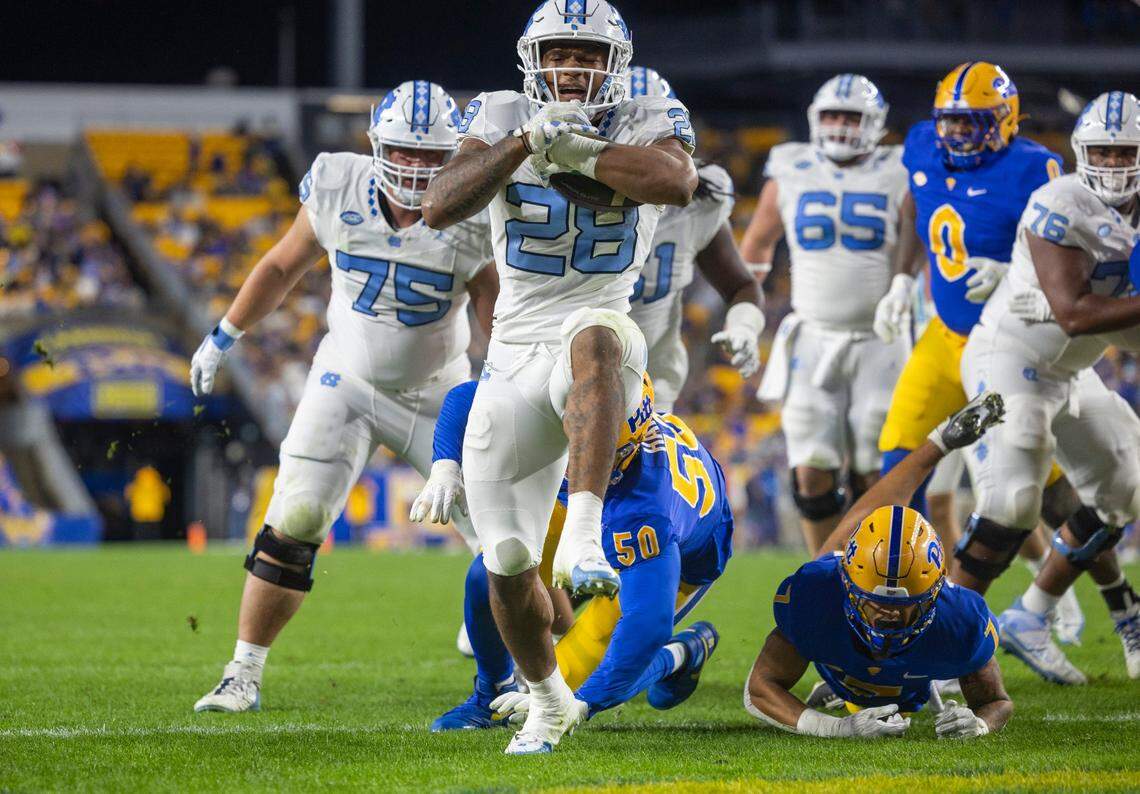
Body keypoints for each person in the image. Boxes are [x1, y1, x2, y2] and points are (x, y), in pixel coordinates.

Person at [420, 0, 698, 754]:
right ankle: (545, 700)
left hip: (599, 323)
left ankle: (581, 532)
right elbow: (439, 205)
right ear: (532, 59)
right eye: (558, 53)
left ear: (614, 61)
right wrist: (522, 144)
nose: (571, 67)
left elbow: (676, 181)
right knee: (506, 563)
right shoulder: (506, 110)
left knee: (599, 339)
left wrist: (573, 155)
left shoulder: (647, 105)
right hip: (511, 352)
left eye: (585, 54)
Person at [190, 81, 498, 713]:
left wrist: (503, 390)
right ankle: (242, 672)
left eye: (428, 155)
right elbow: (281, 265)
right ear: (375, 147)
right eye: (402, 152)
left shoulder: (474, 211)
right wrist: (223, 337)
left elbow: (497, 317)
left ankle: (510, 665)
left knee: (505, 539)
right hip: (346, 384)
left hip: (440, 394)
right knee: (296, 518)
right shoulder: (336, 184)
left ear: (453, 157)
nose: (413, 167)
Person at [870, 62, 1088, 596]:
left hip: (1007, 341)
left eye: (973, 123)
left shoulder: (1037, 167)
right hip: (943, 338)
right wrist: (902, 277)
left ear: (1006, 120)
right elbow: (916, 205)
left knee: (1036, 484)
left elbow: (1073, 250)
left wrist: (1016, 274)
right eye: (951, 121)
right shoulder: (922, 144)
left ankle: (1096, 597)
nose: (958, 133)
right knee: (899, 455)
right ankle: (910, 585)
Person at [415, 374, 731, 739]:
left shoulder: (646, 510)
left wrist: (583, 704)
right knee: (492, 572)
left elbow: (646, 626)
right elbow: (468, 397)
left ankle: (681, 653)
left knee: (566, 682)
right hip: (590, 505)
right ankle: (491, 691)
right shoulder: (570, 401)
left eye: (593, 447)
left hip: (675, 549)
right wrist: (445, 466)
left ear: (621, 449)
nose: (580, 452)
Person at [960, 91, 1140, 684]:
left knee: (1127, 485)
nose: (1114, 164)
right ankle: (935, 639)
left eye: (1126, 152)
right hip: (1008, 357)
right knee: (1011, 501)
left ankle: (1031, 617)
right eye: (1104, 152)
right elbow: (1074, 314)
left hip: (1072, 371)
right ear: (1082, 153)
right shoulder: (1058, 201)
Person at [745, 392, 1013, 739]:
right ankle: (937, 444)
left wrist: (979, 724)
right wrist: (837, 728)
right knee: (840, 543)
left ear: (937, 593)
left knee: (851, 531)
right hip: (846, 669)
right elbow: (760, 689)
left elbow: (997, 702)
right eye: (874, 600)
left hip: (910, 682)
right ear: (847, 582)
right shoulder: (819, 594)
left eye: (901, 606)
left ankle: (937, 444)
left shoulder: (961, 621)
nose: (886, 616)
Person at [740, 74, 911, 554]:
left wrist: (909, 287)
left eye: (851, 116)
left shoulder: (899, 170)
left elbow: (918, 243)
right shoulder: (791, 167)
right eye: (832, 115)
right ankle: (824, 571)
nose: (840, 125)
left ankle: (874, 571)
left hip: (882, 338)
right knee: (812, 468)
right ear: (815, 119)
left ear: (874, 123)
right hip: (813, 336)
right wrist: (745, 314)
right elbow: (757, 244)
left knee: (874, 471)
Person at [626, 66, 765, 411]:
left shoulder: (699, 199)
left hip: (652, 386)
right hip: (565, 373)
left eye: (652, 124)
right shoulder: (562, 191)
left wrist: (744, 325)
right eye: (629, 124)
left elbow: (741, 286)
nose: (640, 138)